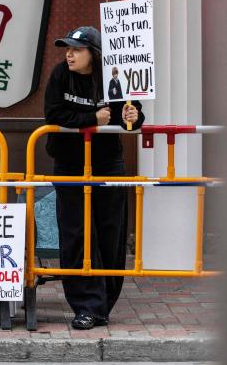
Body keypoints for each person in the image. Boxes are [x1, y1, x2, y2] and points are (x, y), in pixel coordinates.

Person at [44, 26, 144, 330]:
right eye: (67, 49)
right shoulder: (60, 74)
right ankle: (86, 306)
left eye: (77, 49)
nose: (69, 54)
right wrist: (92, 119)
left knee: (109, 234)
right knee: (76, 234)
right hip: (70, 165)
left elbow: (134, 118)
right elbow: (54, 114)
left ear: (94, 54)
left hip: (107, 164)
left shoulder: (115, 76)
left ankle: (102, 305)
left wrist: (133, 118)